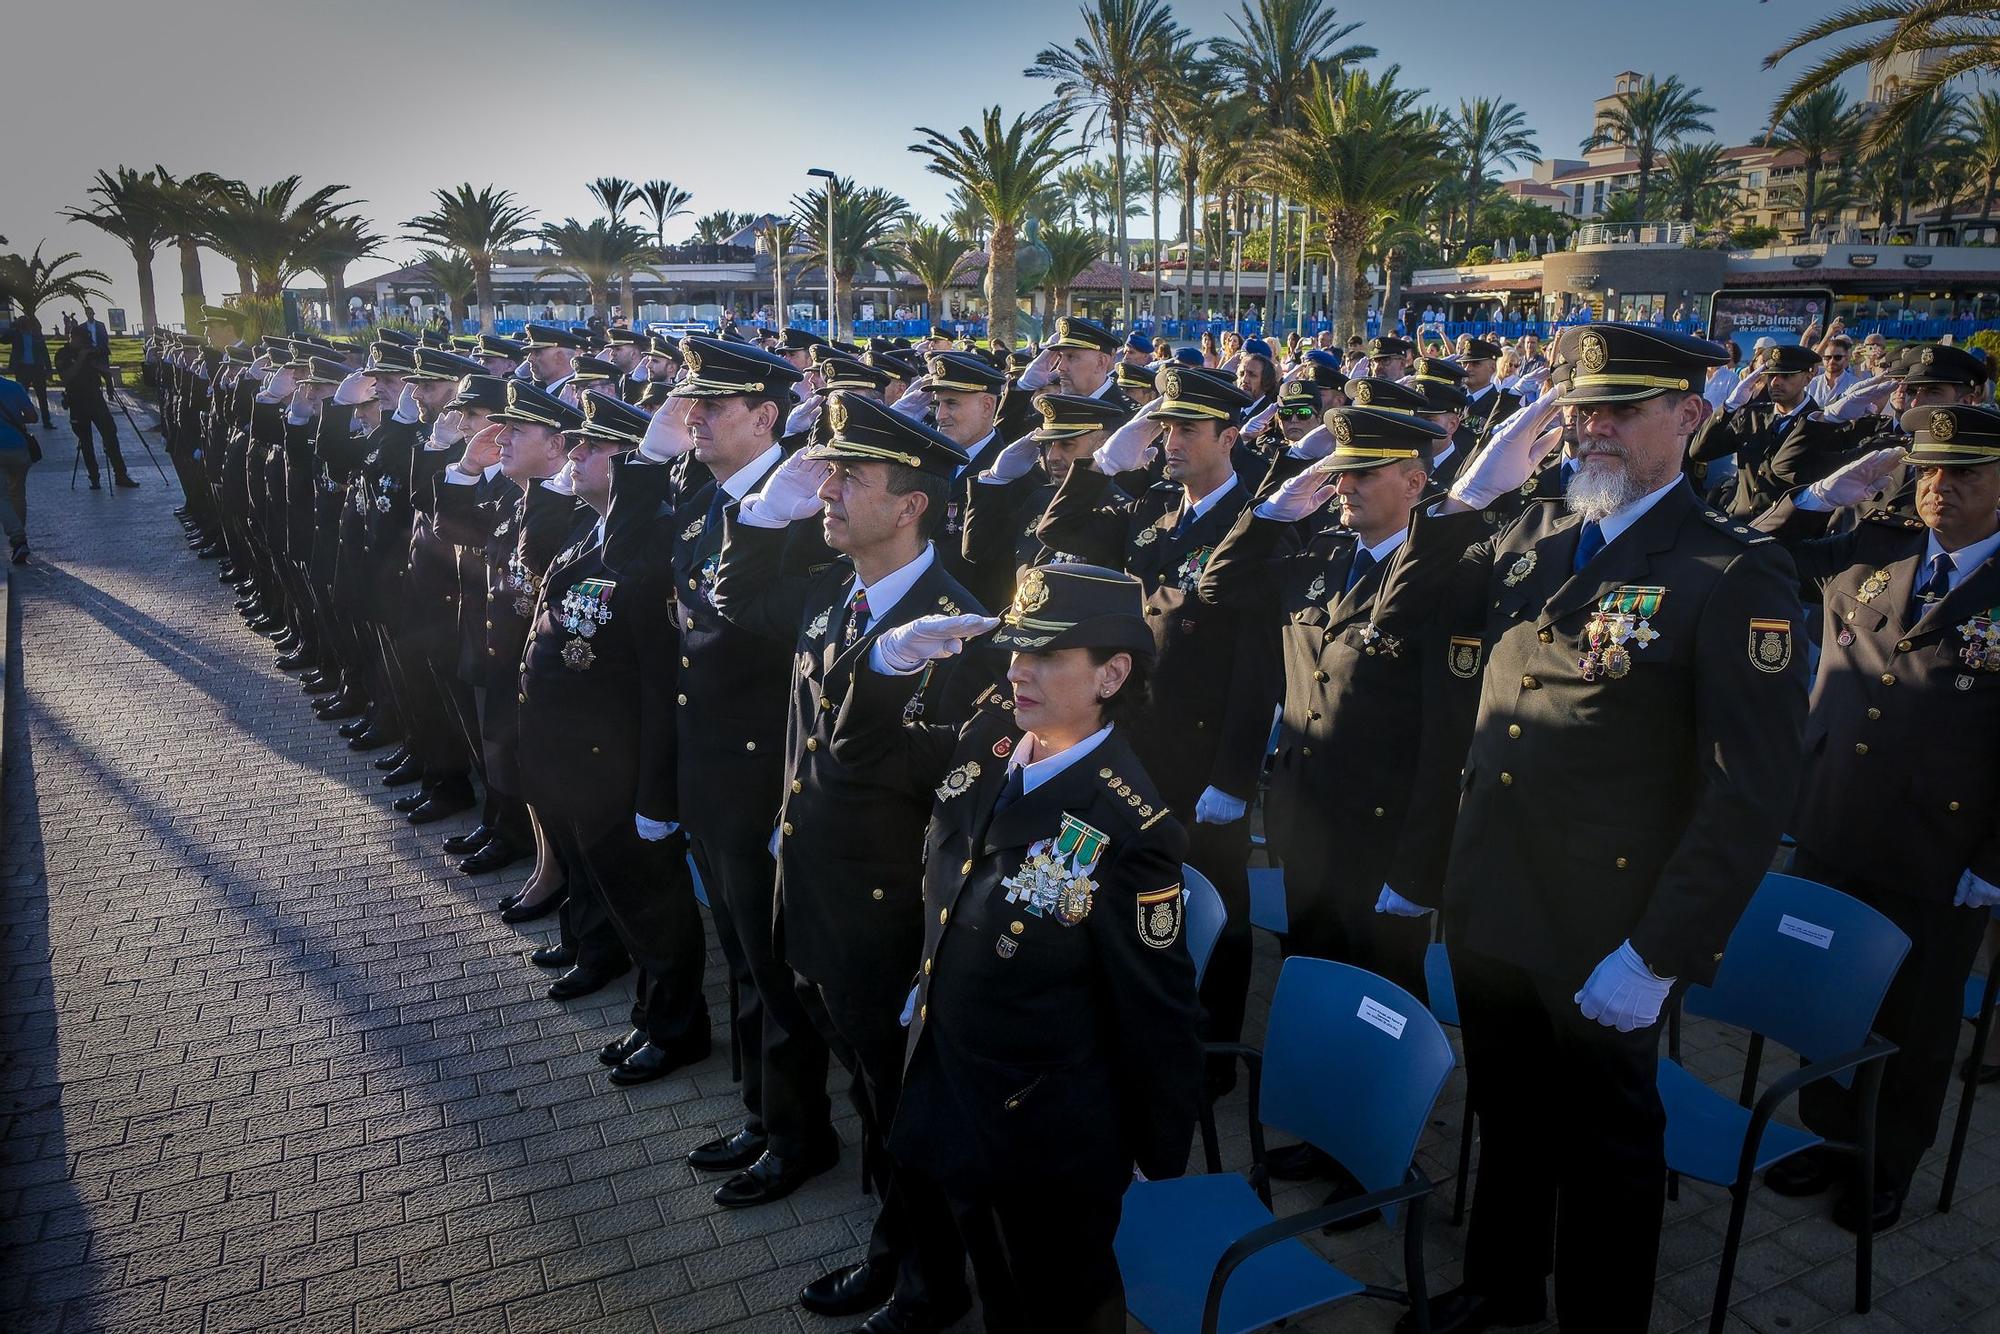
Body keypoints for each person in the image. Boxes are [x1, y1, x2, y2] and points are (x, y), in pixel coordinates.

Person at [1368, 324, 1808, 1334]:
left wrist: (1656, 954)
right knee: (1509, 1112)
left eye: (1621, 406)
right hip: (1492, 894)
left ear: (1689, 417)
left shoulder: (1727, 570)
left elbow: (1750, 789)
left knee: (1607, 1144)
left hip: (1604, 919)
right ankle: (1501, 1281)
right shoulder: (1536, 534)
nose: (1592, 425)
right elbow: (1421, 581)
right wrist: (1486, 466)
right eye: (1581, 406)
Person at [841, 562, 1202, 1334]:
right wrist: (886, 663)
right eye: (1016, 650)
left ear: (1111, 673)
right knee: (993, 1277)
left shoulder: (1128, 829)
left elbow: (1158, 1003)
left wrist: (1153, 1146)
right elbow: (862, 756)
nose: (1017, 671)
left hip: (1046, 1132)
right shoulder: (995, 735)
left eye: (1045, 656)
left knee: (1052, 1303)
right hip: (953, 1076)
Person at [1749, 406, 2000, 1233]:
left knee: (1917, 1020)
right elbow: (1757, 563)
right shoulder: (1874, 546)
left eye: (1963, 471)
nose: (1940, 486)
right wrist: (1818, 496)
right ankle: (1829, 1135)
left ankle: (1888, 1163)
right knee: (1829, 998)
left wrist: (1993, 862)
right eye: (1929, 469)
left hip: (1941, 847)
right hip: (1834, 822)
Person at [1032, 367, 1280, 1087]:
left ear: (1229, 438)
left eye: (1186, 430)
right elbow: (1064, 527)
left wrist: (1234, 777)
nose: (1170, 441)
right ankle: (1143, 1029)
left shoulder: (1253, 524)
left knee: (1215, 905)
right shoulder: (1154, 511)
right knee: (1135, 895)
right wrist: (1105, 459)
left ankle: (1210, 1055)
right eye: (1165, 427)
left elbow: (1258, 668)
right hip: (1136, 744)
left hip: (1203, 758)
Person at [516, 389, 712, 1085]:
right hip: (580, 761)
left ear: (629, 464)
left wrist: (655, 793)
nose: (573, 454)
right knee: (622, 898)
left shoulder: (649, 535)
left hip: (622, 764)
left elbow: (661, 684)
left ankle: (677, 1027)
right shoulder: (586, 527)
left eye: (591, 447)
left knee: (654, 906)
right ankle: (650, 1014)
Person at [54, 333, 137, 489]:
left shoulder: (91, 352)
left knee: (110, 434)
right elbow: (66, 377)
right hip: (77, 401)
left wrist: (108, 382)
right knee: (86, 442)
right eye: (82, 341)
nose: (85, 345)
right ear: (73, 338)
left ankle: (121, 474)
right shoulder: (63, 354)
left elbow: (104, 370)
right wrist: (80, 359)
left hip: (96, 400)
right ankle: (94, 478)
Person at [0, 371, 37, 563]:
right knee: (17, 494)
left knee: (2, 497)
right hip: (18, 447)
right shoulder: (14, 387)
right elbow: (33, 416)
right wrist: (15, 420)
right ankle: (20, 541)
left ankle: (17, 538)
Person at [7, 314, 53, 424]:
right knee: (21, 395)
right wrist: (14, 326)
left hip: (37, 368)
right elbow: (3, 339)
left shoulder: (36, 335)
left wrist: (49, 368)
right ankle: (19, 421)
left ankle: (47, 421)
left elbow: (45, 352)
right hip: (23, 368)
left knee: (42, 396)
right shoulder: (16, 335)